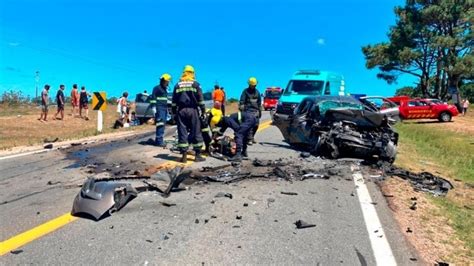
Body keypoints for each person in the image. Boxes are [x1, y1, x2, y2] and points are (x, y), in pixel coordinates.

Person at [172, 65, 206, 163]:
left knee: (182, 132)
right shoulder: (196, 84)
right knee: (196, 131)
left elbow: (174, 101)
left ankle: (184, 156)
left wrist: (174, 114)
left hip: (181, 111)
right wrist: (203, 111)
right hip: (193, 110)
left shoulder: (177, 85)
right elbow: (200, 100)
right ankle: (198, 155)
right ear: (192, 73)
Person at [239, 77, 262, 145]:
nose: (254, 86)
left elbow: (259, 102)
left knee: (256, 125)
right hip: (248, 110)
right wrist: (242, 108)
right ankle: (249, 139)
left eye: (255, 85)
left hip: (256, 111)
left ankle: (252, 137)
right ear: (249, 84)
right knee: (250, 125)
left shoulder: (257, 92)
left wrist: (260, 111)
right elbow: (242, 101)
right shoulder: (245, 91)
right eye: (253, 85)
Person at [152, 74, 171, 147]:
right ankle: (159, 142)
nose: (168, 83)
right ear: (164, 81)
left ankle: (158, 140)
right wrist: (154, 108)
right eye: (167, 81)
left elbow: (164, 99)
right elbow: (153, 98)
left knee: (163, 124)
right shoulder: (157, 88)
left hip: (164, 108)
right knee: (160, 124)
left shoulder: (165, 88)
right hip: (159, 108)